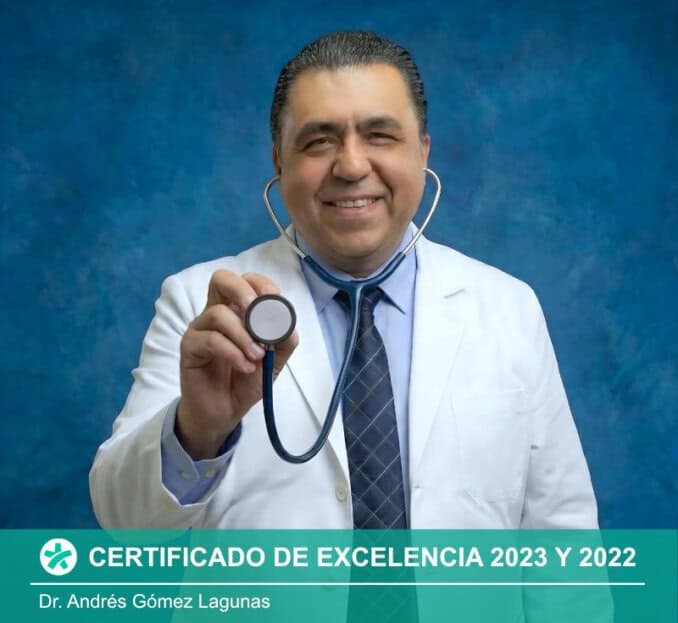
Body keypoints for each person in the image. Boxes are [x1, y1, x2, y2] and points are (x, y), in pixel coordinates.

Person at [90, 30, 598, 531]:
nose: (352, 166)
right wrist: (197, 429)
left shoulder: (509, 308)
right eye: (319, 141)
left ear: (422, 153)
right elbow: (123, 520)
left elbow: (564, 537)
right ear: (279, 161)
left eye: (380, 136)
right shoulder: (200, 305)